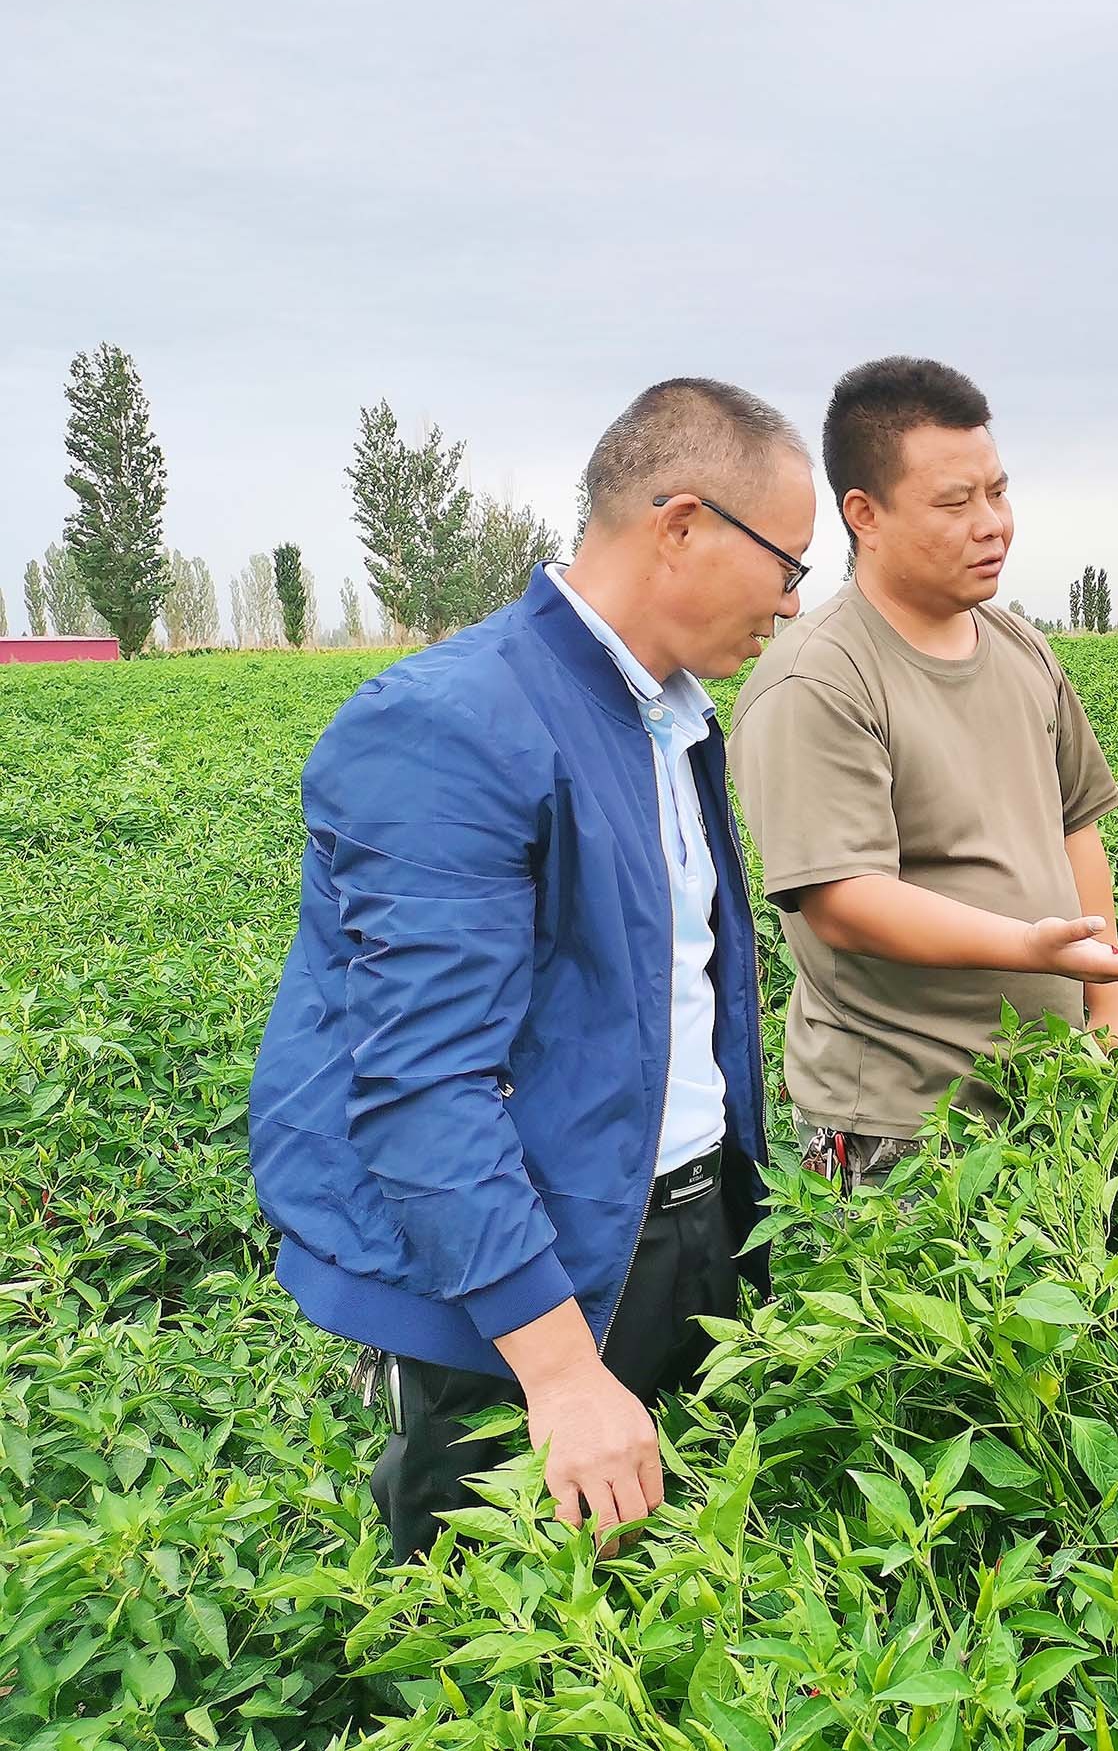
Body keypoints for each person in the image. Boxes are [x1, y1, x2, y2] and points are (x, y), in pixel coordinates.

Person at [249, 377, 817, 1558]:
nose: (792, 604)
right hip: (518, 1287)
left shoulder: (669, 717)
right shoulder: (457, 722)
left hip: (684, 1232)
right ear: (681, 523)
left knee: (663, 1625)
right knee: (497, 1644)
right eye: (787, 565)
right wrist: (560, 1374)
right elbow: (421, 1084)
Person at [728, 356, 1118, 1190]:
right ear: (863, 514)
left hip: (1050, 1093)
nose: (993, 524)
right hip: (904, 1127)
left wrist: (1110, 1018)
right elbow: (845, 901)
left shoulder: (1021, 649)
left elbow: (1076, 829)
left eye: (998, 492)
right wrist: (1032, 948)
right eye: (954, 502)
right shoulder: (819, 678)